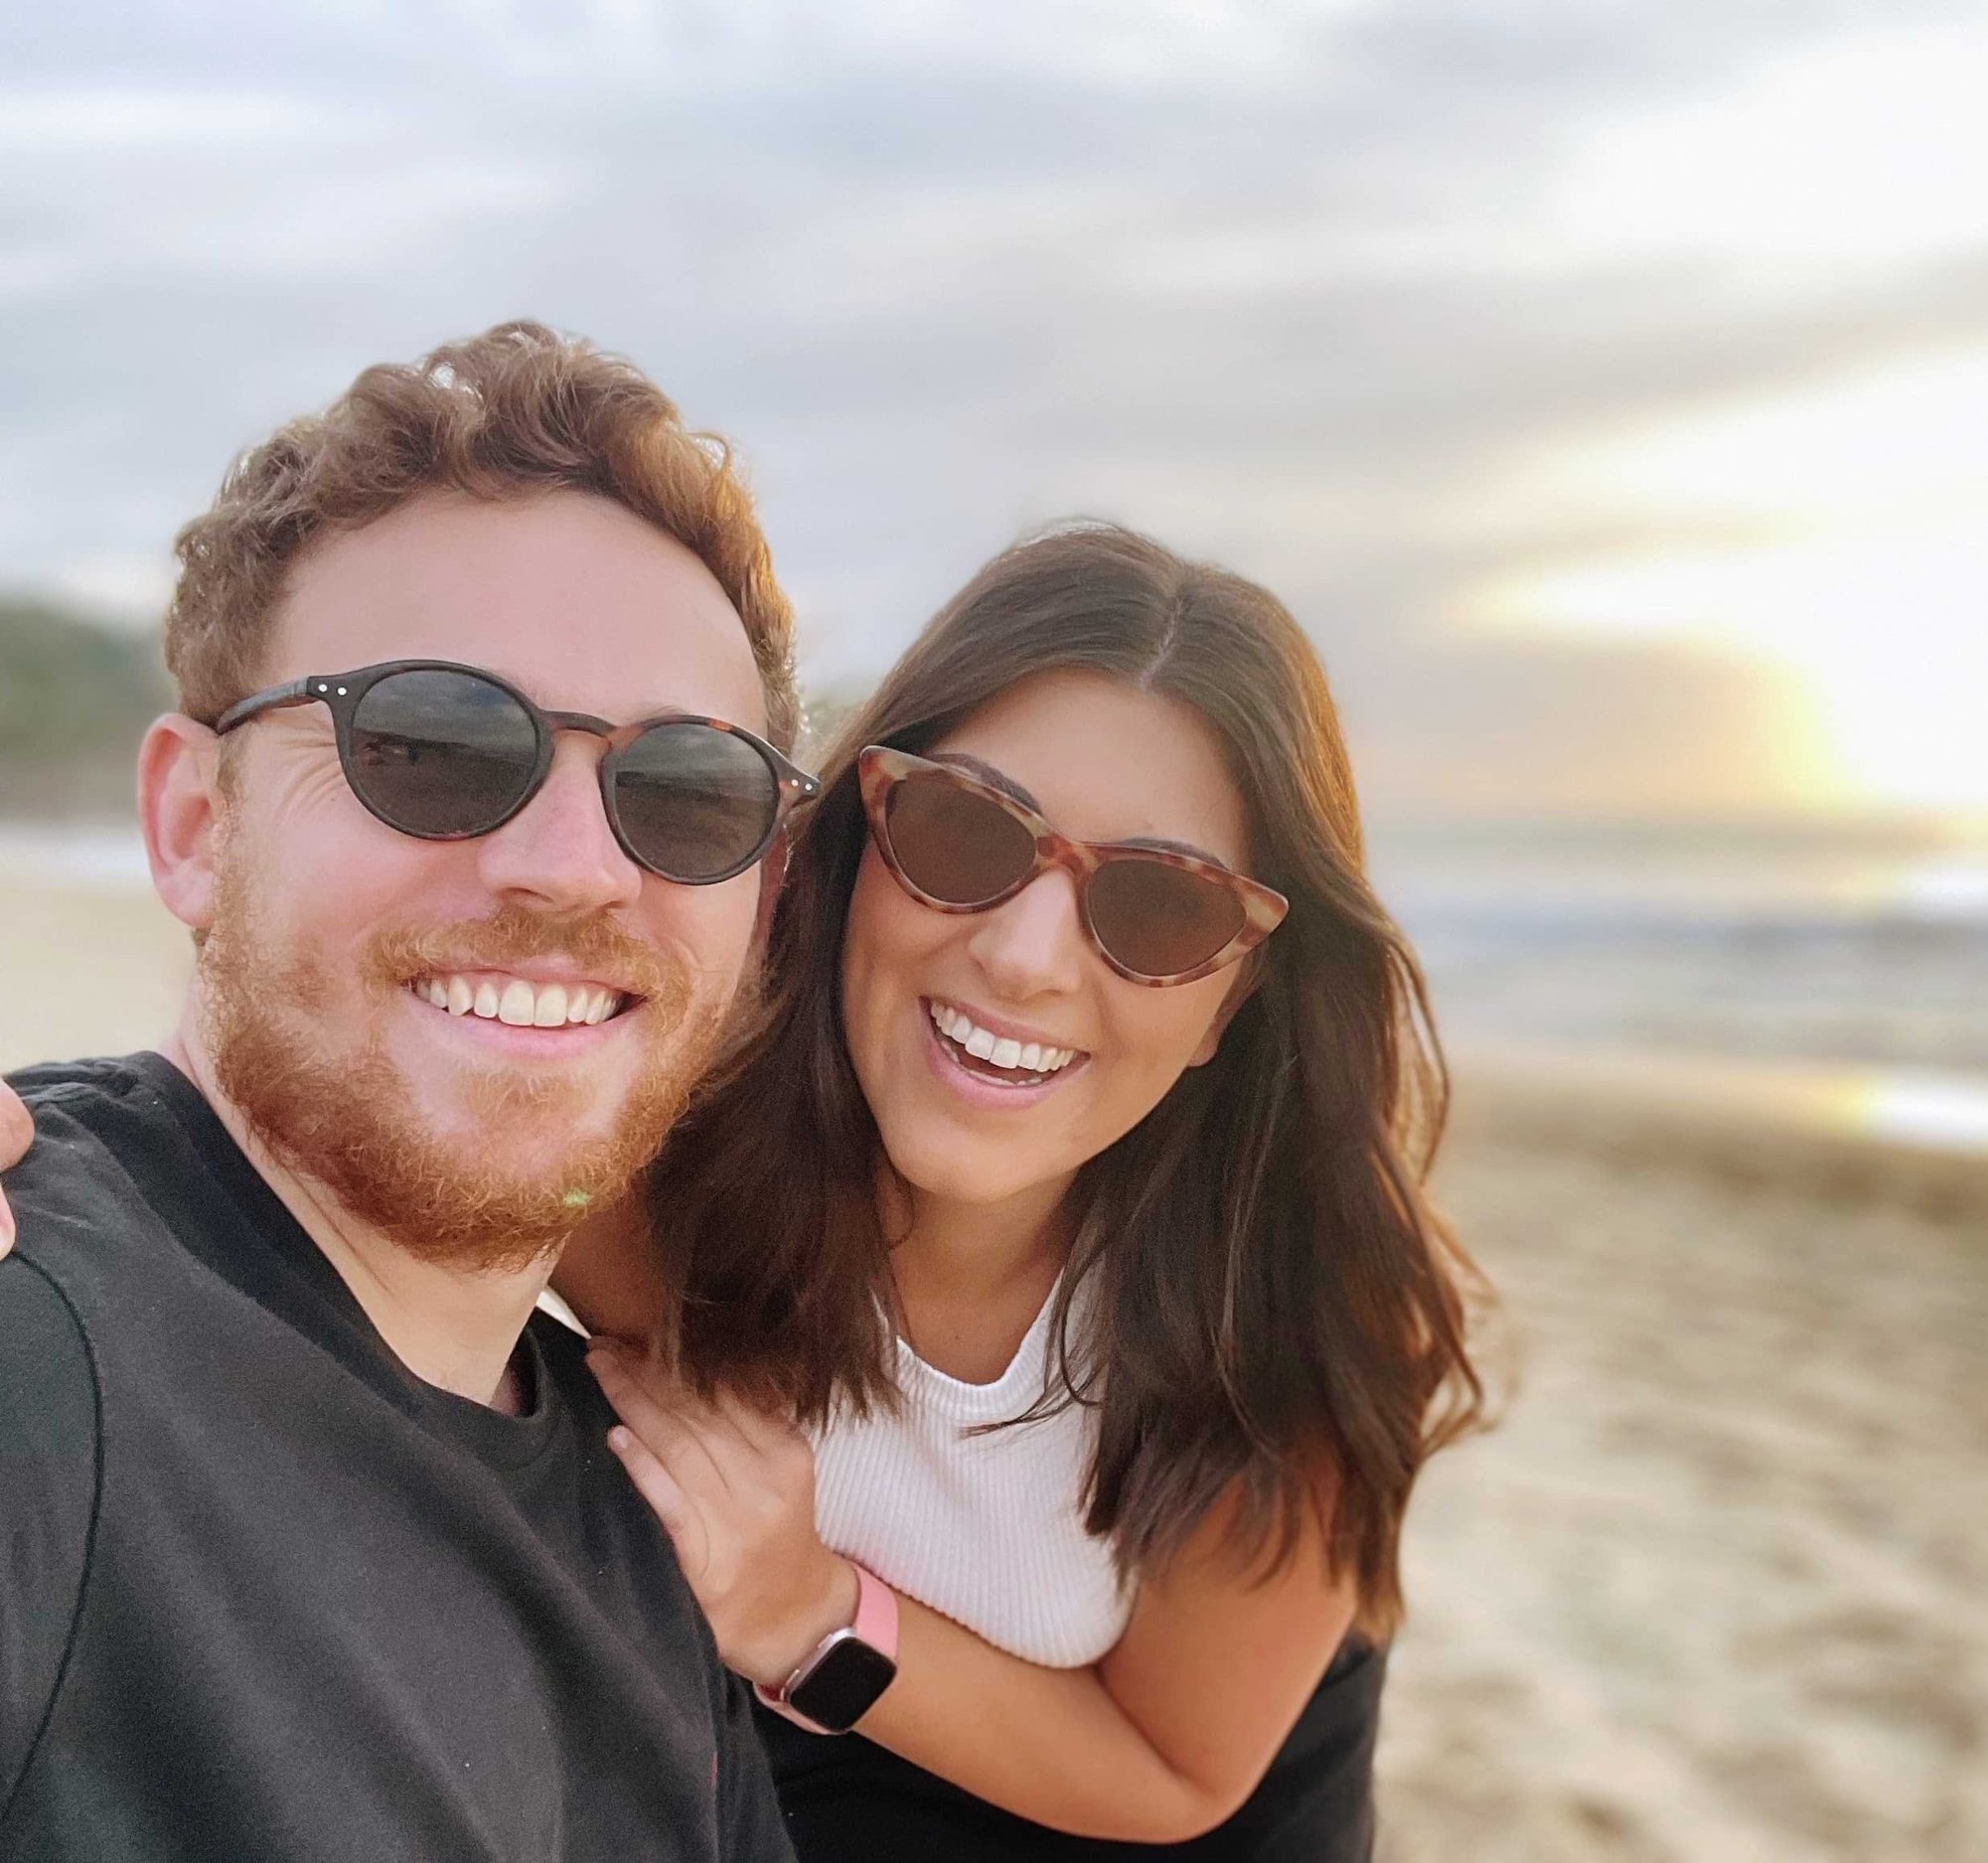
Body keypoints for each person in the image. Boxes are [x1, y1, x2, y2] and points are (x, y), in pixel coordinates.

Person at [556, 524, 1491, 1857]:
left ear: (1238, 1001)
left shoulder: (1293, 1314)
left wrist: (811, 1608)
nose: (1025, 957)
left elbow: (1172, 1774)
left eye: (1161, 909)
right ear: (856, 845)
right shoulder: (650, 1171)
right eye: (964, 830)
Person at [0, 324, 804, 1860]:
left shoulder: (646, 1540)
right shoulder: (42, 1346)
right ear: (193, 823)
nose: (573, 869)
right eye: (431, 744)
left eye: (688, 787)